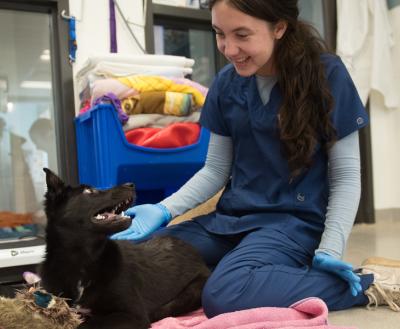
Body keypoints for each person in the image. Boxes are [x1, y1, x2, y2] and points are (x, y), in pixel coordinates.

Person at [112, 0, 400, 316]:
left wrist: (331, 245)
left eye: (242, 35)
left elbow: (346, 174)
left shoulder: (327, 74)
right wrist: (163, 210)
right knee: (129, 259)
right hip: (230, 221)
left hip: (293, 225)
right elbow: (215, 170)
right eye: (220, 34)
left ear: (279, 27)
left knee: (224, 295)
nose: (229, 48)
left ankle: (364, 285)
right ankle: (252, 273)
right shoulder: (225, 84)